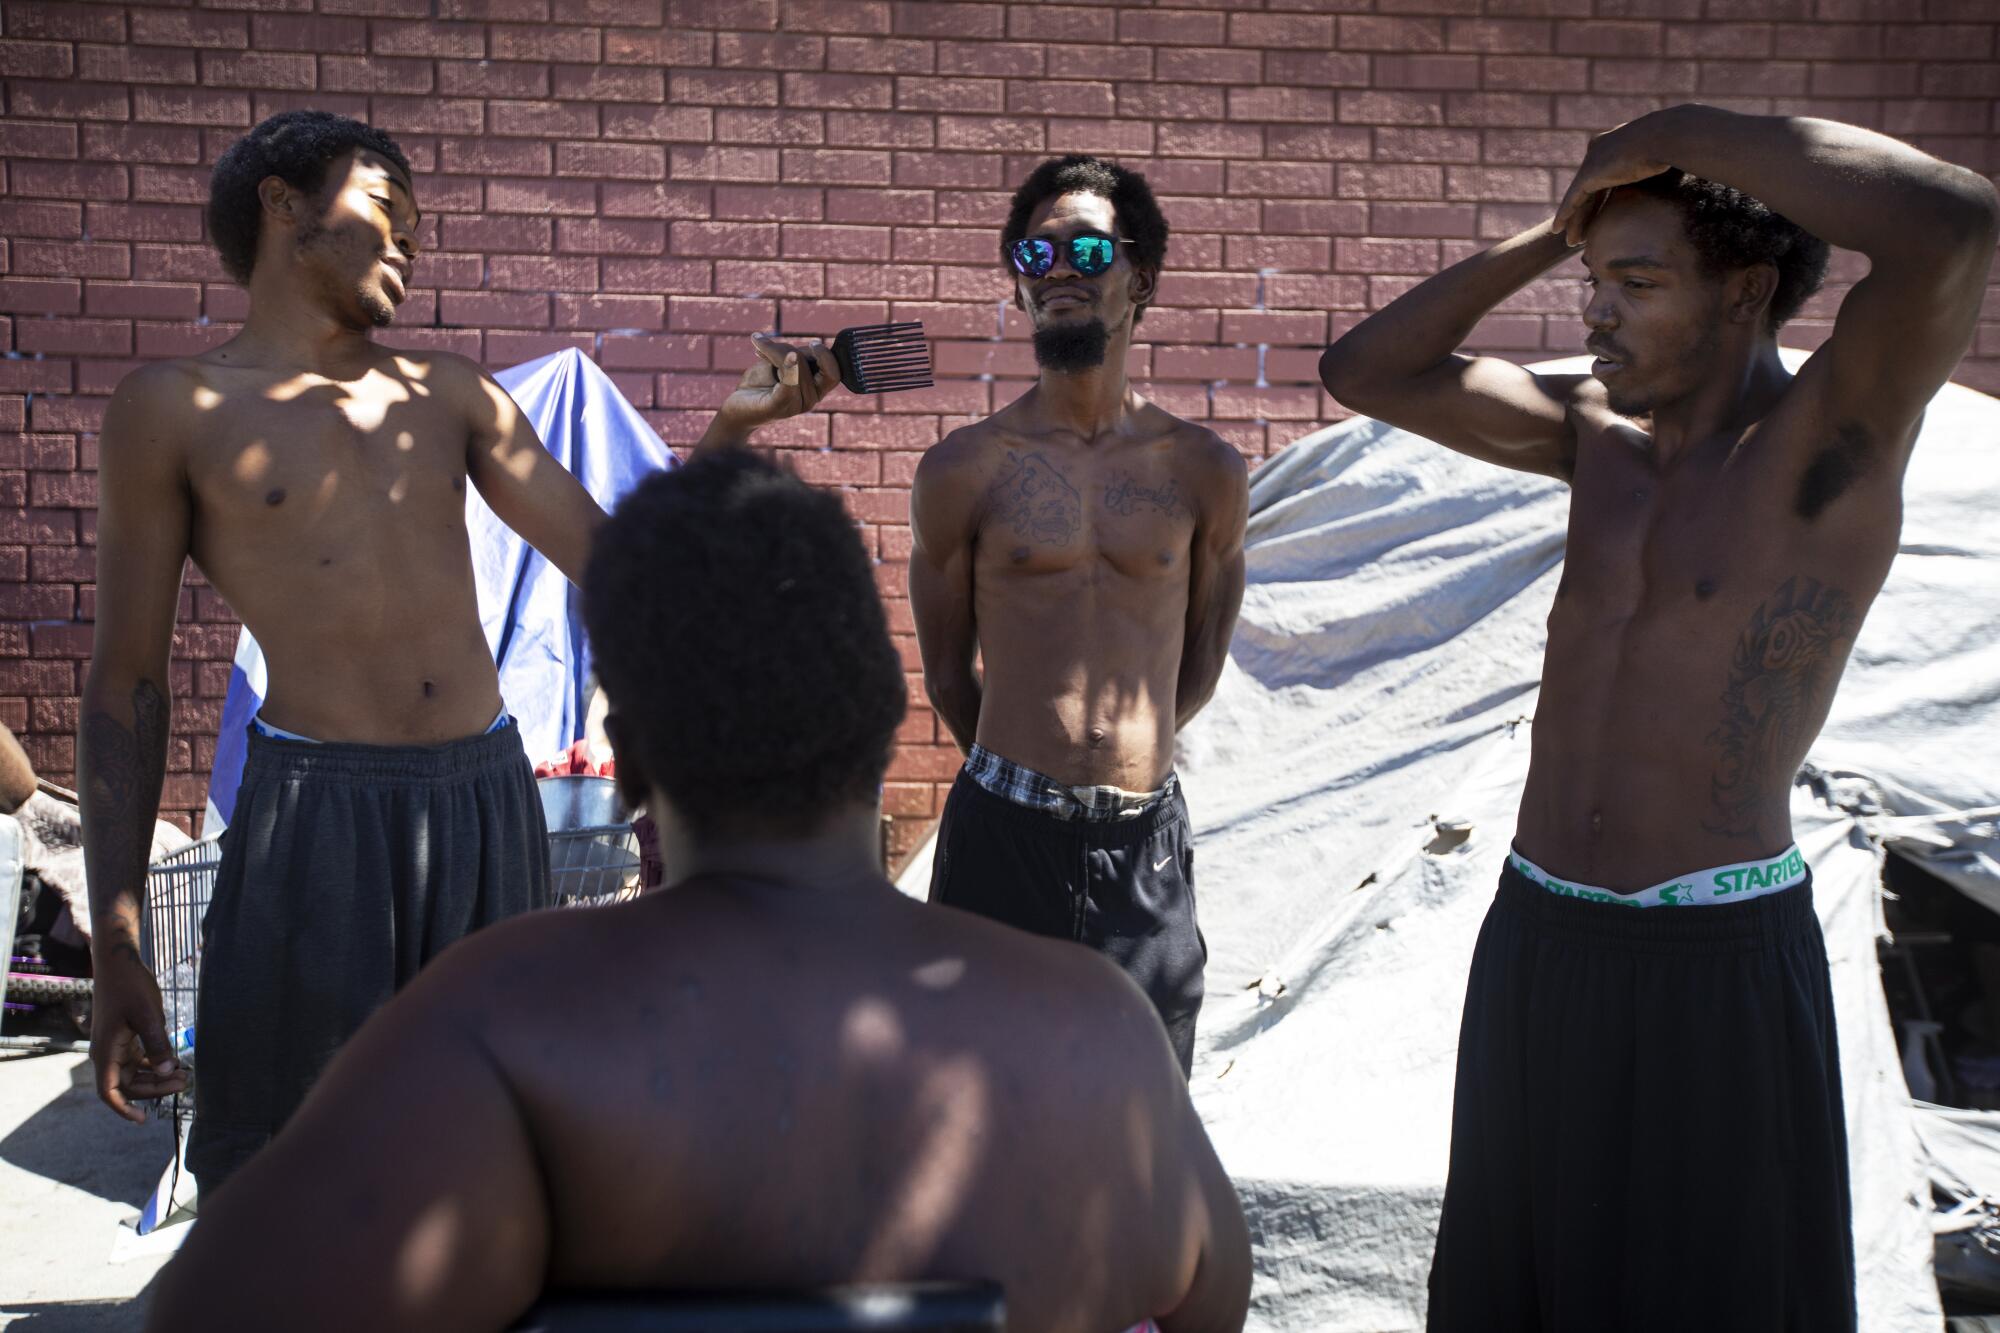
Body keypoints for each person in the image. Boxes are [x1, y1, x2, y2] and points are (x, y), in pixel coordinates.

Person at [146, 449, 1253, 1333]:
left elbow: (201, 1314)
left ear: (625, 765)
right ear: (879, 732)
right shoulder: (1101, 1033)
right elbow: (1213, 1303)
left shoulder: (501, 1028)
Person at [1320, 106, 1999, 1331]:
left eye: (1633, 282)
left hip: (1712, 959)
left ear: (1742, 291)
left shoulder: (1827, 442)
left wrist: (1676, 130)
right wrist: (1554, 230)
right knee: (1514, 1285)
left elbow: (1951, 218)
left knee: (1708, 1299)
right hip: (1538, 936)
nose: (1594, 312)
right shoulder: (1594, 439)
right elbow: (1365, 373)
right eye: (1594, 281)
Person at [79, 109, 838, 1193]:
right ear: (281, 202)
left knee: (497, 1160)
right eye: (386, 207)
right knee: (303, 1174)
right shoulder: (174, 409)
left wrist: (729, 429)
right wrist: (115, 940)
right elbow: (127, 681)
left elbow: (622, 561)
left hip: (482, 801)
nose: (410, 243)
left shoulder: (449, 395)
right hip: (314, 822)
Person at [912, 156, 1248, 1077]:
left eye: (1088, 248)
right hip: (1001, 841)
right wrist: (1034, 770)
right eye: (1036, 251)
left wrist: (1118, 764)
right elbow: (947, 673)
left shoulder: (1202, 470)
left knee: (1141, 1127)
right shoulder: (965, 469)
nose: (1059, 267)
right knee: (976, 1120)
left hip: (1143, 846)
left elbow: (1202, 662)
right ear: (1018, 283)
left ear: (1139, 278)